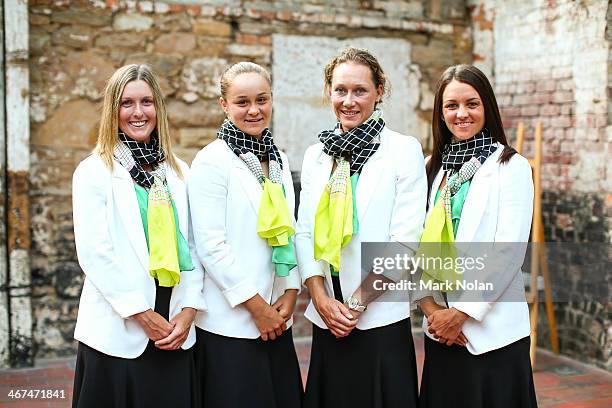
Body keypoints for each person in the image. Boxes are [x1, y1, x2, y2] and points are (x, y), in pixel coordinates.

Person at [296, 47, 427, 408]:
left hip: (378, 318)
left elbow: (405, 242)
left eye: (360, 91)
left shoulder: (403, 150)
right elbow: (303, 231)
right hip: (328, 319)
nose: (348, 101)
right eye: (340, 90)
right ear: (328, 91)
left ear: (379, 90)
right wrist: (322, 300)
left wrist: (354, 306)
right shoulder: (316, 156)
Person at [71, 64, 206, 408]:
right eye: (126, 103)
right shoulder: (94, 171)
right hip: (119, 332)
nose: (138, 112)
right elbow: (95, 255)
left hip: (174, 328)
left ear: (158, 108)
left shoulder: (178, 171)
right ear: (112, 110)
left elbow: (192, 246)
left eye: (146, 102)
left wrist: (188, 310)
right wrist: (143, 316)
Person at [418, 64, 538, 408]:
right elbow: (416, 245)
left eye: (471, 103)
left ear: (487, 106)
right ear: (440, 114)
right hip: (441, 331)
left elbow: (507, 253)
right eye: (451, 106)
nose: (461, 114)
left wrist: (461, 314)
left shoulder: (511, 167)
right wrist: (432, 311)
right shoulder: (432, 168)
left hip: (494, 332)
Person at [188, 61, 303, 408]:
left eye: (262, 99)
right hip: (232, 322)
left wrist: (292, 288)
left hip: (275, 316)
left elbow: (288, 230)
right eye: (242, 102)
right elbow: (211, 246)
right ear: (224, 105)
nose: (254, 110)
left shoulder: (278, 159)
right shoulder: (211, 162)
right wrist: (256, 308)